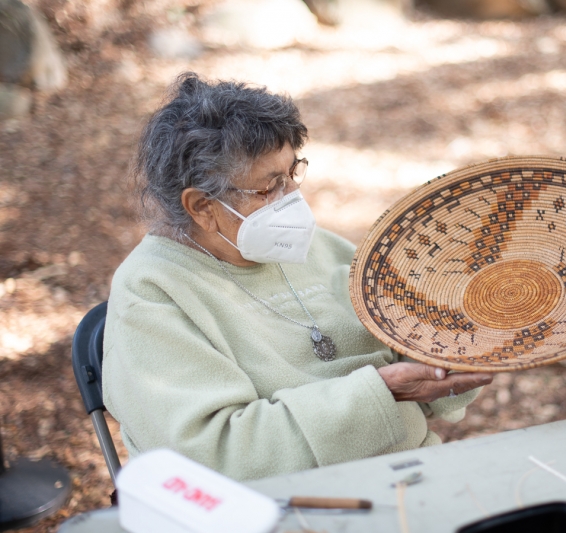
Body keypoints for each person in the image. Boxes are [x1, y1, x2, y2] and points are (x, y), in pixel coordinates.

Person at [102, 72, 493, 481]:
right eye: (269, 187)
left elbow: (415, 356)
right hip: (282, 509)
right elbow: (214, 455)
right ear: (202, 206)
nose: (291, 199)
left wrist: (456, 332)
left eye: (292, 173)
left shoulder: (313, 247)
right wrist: (382, 392)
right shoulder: (151, 296)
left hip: (410, 473)